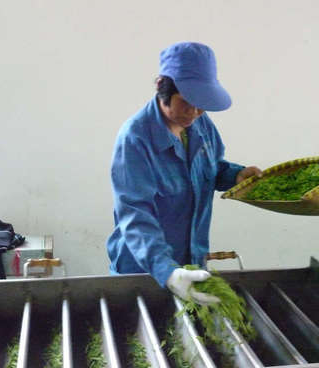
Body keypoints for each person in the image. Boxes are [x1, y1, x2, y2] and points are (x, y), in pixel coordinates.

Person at [107, 42, 261, 304]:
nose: (194, 112)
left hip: (191, 260)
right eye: (186, 102)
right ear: (161, 88)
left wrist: (235, 175)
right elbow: (135, 214)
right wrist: (167, 272)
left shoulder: (200, 125)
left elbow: (210, 169)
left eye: (202, 105)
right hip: (144, 268)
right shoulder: (135, 138)